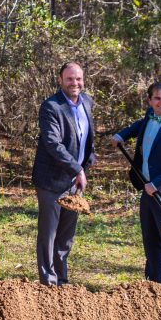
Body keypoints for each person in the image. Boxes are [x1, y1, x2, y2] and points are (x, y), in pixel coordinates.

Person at [111, 82, 161, 285]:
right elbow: (140, 125)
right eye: (157, 98)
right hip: (147, 190)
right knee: (151, 241)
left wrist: (157, 183)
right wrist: (123, 135)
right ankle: (153, 286)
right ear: (150, 101)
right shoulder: (150, 115)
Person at [31, 62, 95, 286]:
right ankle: (48, 281)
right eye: (69, 79)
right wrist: (76, 168)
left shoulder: (87, 102)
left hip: (74, 182)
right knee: (49, 234)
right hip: (51, 181)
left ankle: (62, 280)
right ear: (60, 80)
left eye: (78, 79)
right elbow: (52, 143)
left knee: (66, 235)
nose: (74, 83)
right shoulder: (51, 107)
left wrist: (88, 161)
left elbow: (86, 137)